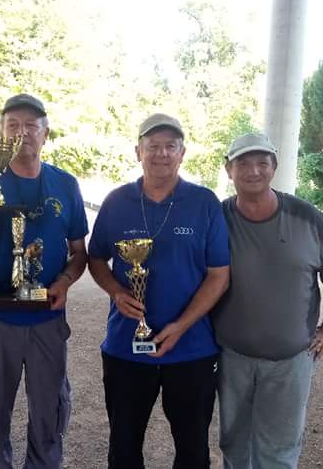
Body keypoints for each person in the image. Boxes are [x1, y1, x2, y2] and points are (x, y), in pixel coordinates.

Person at [0, 93, 88, 469]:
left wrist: (65, 282)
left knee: (49, 412)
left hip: (47, 318)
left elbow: (79, 252)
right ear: (1, 133)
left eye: (31, 125)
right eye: (13, 125)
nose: (23, 132)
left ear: (46, 133)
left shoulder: (66, 185)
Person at [88, 113, 230, 469]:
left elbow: (219, 275)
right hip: (126, 348)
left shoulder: (204, 202)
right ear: (138, 151)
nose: (161, 153)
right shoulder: (117, 201)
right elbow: (95, 258)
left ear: (183, 153)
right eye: (153, 146)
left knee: (193, 450)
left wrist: (181, 325)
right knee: (123, 447)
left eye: (170, 146)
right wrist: (116, 292)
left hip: (191, 349)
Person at [212, 132, 323, 469]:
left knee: (278, 450)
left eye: (263, 162)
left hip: (291, 360)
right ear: (228, 169)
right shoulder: (217, 218)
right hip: (232, 357)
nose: (254, 171)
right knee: (234, 442)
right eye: (243, 163)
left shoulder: (308, 217)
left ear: (274, 167)